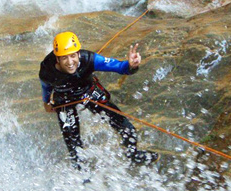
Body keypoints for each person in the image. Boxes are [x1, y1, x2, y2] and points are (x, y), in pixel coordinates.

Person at [39, 31, 159, 169]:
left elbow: (118, 67)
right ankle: (81, 173)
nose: (70, 62)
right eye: (64, 58)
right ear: (57, 58)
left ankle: (133, 155)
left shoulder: (89, 59)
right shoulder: (47, 71)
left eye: (73, 56)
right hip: (64, 99)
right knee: (73, 145)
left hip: (88, 91)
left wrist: (131, 65)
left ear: (78, 53)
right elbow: (46, 87)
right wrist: (46, 102)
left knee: (127, 128)